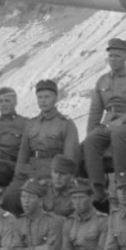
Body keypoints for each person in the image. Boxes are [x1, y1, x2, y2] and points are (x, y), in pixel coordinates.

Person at [81, 38, 126, 205]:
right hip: (108, 124)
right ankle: (98, 188)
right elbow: (95, 113)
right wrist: (91, 134)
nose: (113, 59)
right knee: (90, 141)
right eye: (111, 56)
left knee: (119, 134)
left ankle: (121, 184)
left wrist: (122, 120)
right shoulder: (102, 81)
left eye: (117, 56)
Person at [6, 79, 80, 214]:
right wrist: (18, 176)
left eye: (47, 97)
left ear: (55, 98)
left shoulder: (66, 124)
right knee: (9, 198)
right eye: (40, 97)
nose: (43, 101)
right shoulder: (31, 124)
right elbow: (23, 153)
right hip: (30, 172)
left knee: (46, 204)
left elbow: (69, 160)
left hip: (52, 173)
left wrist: (53, 180)